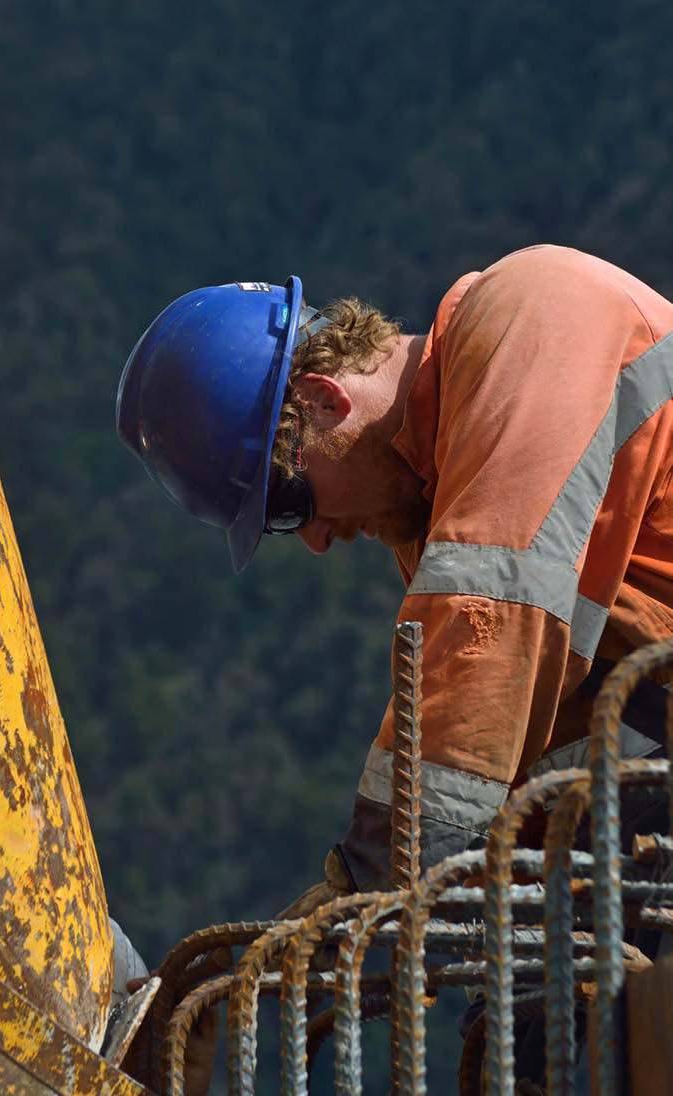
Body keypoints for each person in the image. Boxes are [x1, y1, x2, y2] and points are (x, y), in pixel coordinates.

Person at [117, 248, 673, 1089]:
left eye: (290, 501)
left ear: (323, 399)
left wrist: (357, 905)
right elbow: (542, 755)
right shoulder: (443, 503)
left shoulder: (533, 315)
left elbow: (477, 676)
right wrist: (525, 991)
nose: (313, 537)